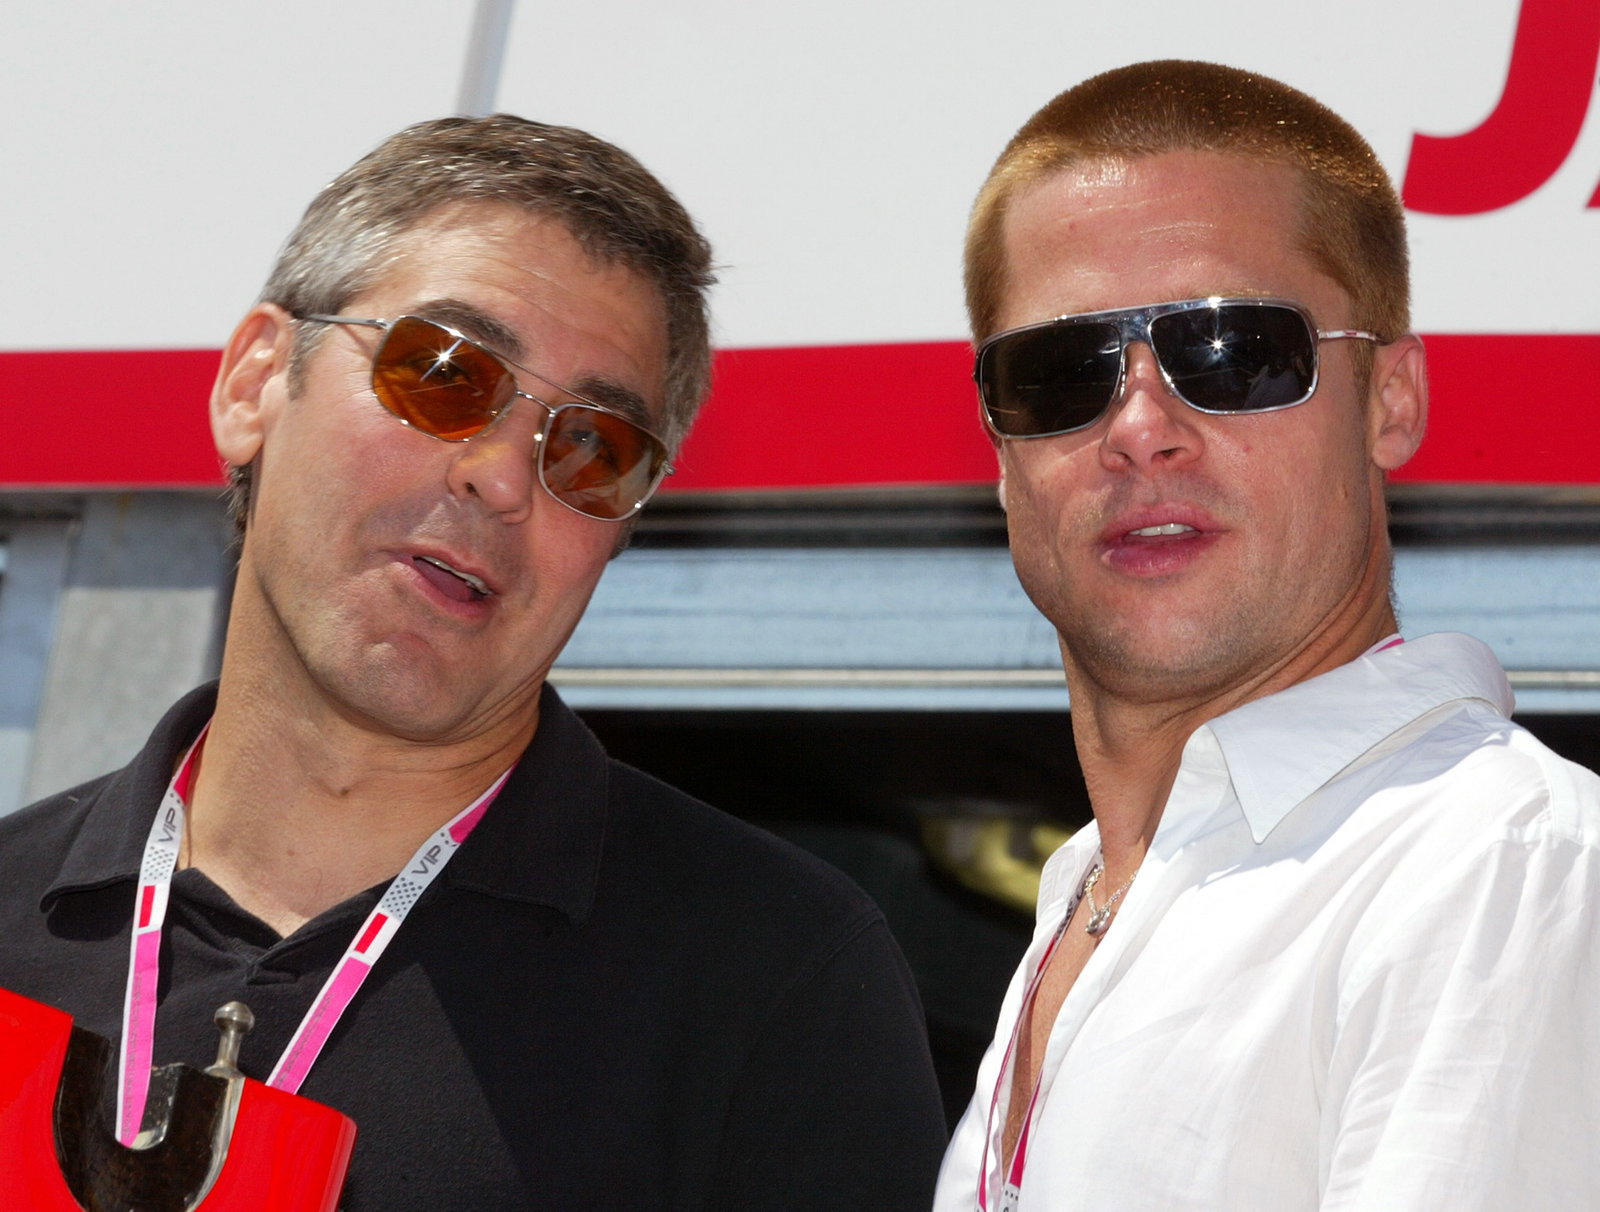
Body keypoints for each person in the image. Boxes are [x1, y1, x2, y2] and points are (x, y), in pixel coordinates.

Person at [0, 114, 947, 1210]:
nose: (502, 477)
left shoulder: (778, 982)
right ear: (256, 382)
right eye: (444, 374)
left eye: (591, 447)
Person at [933, 60, 1600, 1210]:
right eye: (1060, 374)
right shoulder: (1087, 900)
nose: (1140, 430)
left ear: (1389, 401)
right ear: (1001, 458)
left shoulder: (1496, 866)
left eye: (1233, 351)